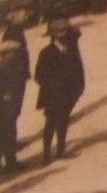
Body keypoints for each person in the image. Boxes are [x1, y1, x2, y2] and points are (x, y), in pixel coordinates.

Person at [33, 18, 85, 164]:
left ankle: (61, 150)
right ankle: (46, 154)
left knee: (63, 122)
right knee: (50, 124)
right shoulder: (46, 53)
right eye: (60, 34)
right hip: (52, 96)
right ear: (53, 36)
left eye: (65, 34)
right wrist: (53, 86)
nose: (63, 37)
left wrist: (77, 89)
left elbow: (76, 34)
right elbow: (39, 76)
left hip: (68, 94)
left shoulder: (71, 49)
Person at [0, 38, 30, 177]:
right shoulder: (1, 70)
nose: (15, 55)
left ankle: (10, 162)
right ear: (4, 54)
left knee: (10, 135)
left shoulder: (10, 66)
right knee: (0, 138)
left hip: (9, 109)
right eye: (12, 52)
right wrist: (5, 96)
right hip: (0, 110)